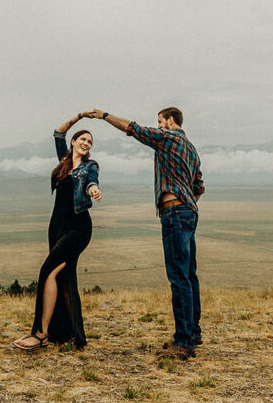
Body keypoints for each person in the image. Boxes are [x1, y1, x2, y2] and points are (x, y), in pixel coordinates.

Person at [88, 106, 204, 360]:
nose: (158, 125)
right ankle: (193, 333)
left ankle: (184, 342)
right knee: (189, 275)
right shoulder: (192, 149)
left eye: (160, 121)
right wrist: (187, 202)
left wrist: (104, 116)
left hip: (174, 212)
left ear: (171, 121)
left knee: (178, 277)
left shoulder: (168, 138)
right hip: (189, 212)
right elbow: (199, 186)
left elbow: (133, 129)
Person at [14, 112, 102, 350]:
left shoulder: (89, 166)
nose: (86, 143)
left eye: (90, 142)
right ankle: (68, 334)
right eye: (82, 139)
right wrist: (80, 116)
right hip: (57, 228)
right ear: (74, 142)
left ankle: (41, 334)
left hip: (78, 228)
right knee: (63, 277)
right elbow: (58, 132)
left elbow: (92, 180)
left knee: (48, 272)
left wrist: (93, 189)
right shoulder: (64, 161)